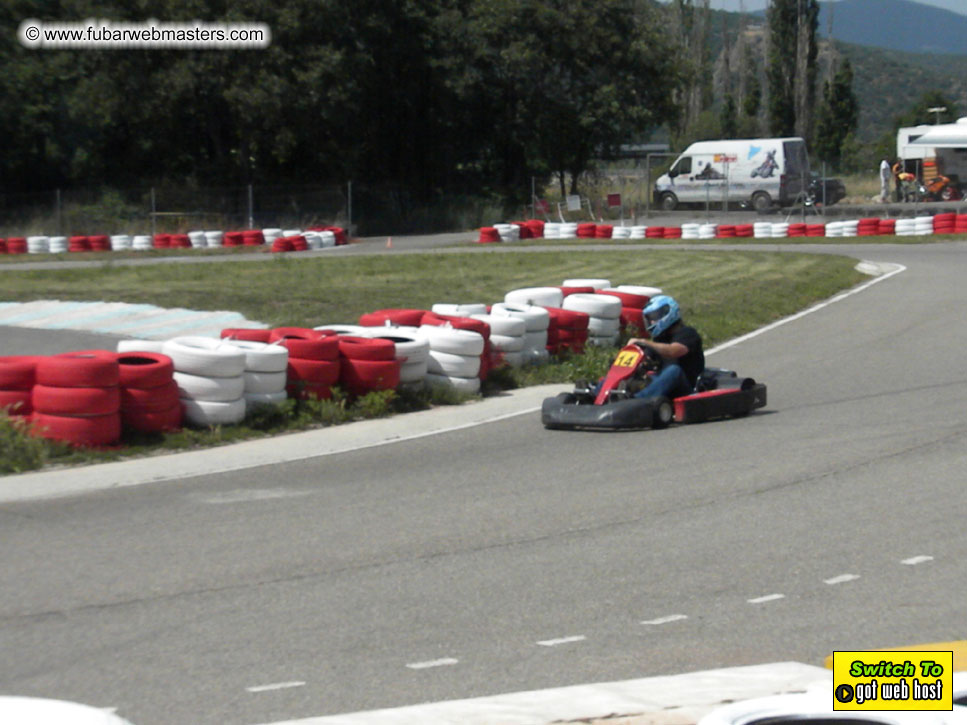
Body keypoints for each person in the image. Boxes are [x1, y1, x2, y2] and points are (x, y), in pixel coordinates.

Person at [628, 295, 704, 400]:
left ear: (668, 313)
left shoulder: (688, 333)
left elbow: (673, 351)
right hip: (665, 384)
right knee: (633, 373)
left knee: (674, 370)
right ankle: (601, 393)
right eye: (649, 319)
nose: (652, 322)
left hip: (686, 387)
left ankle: (636, 401)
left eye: (654, 317)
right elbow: (647, 357)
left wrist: (644, 342)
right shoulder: (660, 339)